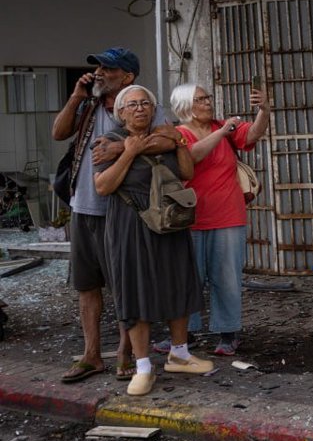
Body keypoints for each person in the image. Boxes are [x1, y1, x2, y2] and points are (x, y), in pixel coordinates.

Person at [51, 47, 175, 383]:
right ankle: (91, 355)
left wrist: (123, 146)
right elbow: (59, 133)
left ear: (128, 76)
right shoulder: (89, 106)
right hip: (83, 208)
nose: (101, 73)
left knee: (124, 286)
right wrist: (76, 98)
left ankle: (126, 352)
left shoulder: (142, 105)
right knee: (86, 285)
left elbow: (170, 139)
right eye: (99, 68)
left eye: (109, 68)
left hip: (122, 213)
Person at [94, 85, 212, 395]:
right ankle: (143, 366)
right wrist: (128, 152)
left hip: (169, 221)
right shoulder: (109, 142)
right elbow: (103, 186)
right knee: (136, 291)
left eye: (145, 103)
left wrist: (179, 142)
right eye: (131, 105)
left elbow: (185, 171)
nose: (139, 109)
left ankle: (180, 353)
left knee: (178, 282)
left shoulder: (167, 133)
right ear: (120, 112)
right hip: (131, 224)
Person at [168, 83, 270, 356]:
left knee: (227, 277)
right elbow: (191, 158)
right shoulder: (178, 134)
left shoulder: (223, 127)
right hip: (190, 216)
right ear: (186, 106)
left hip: (228, 214)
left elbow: (253, 135)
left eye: (207, 97)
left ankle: (228, 333)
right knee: (189, 278)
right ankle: (183, 334)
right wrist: (223, 132)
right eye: (200, 99)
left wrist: (264, 109)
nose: (208, 102)